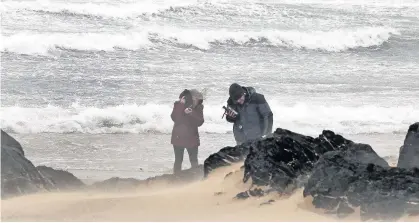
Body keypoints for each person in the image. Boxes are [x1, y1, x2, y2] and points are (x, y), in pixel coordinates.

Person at [170, 89, 204, 174]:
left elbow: (200, 122)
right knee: (178, 160)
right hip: (178, 137)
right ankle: (176, 178)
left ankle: (196, 179)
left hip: (192, 138)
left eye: (198, 99)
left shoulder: (199, 107)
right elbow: (174, 118)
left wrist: (191, 113)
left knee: (194, 161)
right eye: (195, 98)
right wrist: (181, 106)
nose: (197, 101)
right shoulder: (178, 104)